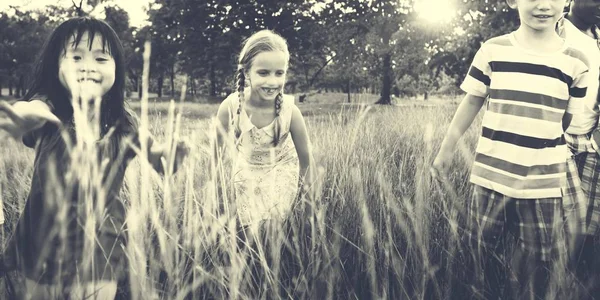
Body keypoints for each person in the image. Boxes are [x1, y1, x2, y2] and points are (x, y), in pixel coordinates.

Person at [0, 17, 188, 299]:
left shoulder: (124, 123)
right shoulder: (50, 111)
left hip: (101, 243)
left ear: (116, 69)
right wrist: (23, 116)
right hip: (41, 242)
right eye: (76, 56)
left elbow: (157, 158)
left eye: (101, 58)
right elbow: (31, 109)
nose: (88, 66)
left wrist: (169, 156)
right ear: (57, 66)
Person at [431, 0, 590, 298]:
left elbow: (566, 120)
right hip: (492, 175)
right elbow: (473, 100)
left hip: (544, 183)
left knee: (541, 262)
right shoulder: (494, 49)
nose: (544, 5)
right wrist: (447, 148)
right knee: (479, 254)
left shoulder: (577, 61)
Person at [215, 29, 314, 234]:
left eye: (279, 73)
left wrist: (307, 210)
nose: (272, 82)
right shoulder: (231, 107)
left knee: (270, 227)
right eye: (263, 73)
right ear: (246, 73)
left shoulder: (290, 111)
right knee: (246, 231)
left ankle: (276, 257)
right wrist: (216, 198)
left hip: (280, 169)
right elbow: (214, 157)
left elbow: (307, 163)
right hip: (246, 169)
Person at [557, 0, 600, 295]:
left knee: (589, 227)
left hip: (593, 140)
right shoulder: (554, 28)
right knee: (563, 224)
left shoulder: (597, 35)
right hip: (560, 140)